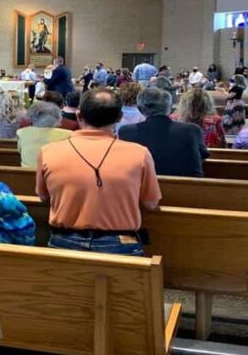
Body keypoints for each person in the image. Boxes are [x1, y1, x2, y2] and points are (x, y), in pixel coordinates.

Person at [37, 89, 161, 255]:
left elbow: (44, 197)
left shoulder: (48, 151)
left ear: (79, 116)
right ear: (119, 117)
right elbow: (151, 203)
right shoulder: (140, 153)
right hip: (120, 242)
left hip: (64, 241)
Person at [119, 87, 207, 177]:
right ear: (170, 108)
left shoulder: (126, 132)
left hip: (140, 188)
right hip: (189, 187)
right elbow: (202, 156)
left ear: (140, 109)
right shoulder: (192, 130)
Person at [17, 101, 73, 167]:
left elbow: (19, 151)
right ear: (57, 118)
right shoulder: (69, 134)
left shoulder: (21, 132)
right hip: (52, 175)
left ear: (31, 118)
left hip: (26, 174)